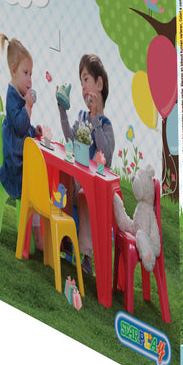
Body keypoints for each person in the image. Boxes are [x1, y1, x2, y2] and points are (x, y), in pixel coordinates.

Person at [57, 54, 115, 272]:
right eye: (81, 82)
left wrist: (95, 119)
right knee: (62, 179)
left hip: (94, 190)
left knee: (82, 195)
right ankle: (65, 239)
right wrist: (63, 112)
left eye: (86, 79)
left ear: (99, 84)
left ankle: (87, 258)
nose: (82, 87)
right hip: (78, 182)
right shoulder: (81, 116)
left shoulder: (105, 125)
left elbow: (106, 155)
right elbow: (70, 140)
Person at [0, 34, 43, 200]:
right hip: (15, 158)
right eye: (26, 73)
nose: (30, 80)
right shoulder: (12, 95)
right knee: (36, 170)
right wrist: (28, 106)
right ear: (13, 70)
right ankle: (33, 203)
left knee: (40, 163)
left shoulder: (20, 94)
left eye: (31, 74)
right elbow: (19, 127)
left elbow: (25, 127)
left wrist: (34, 130)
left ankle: (38, 201)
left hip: (20, 147)